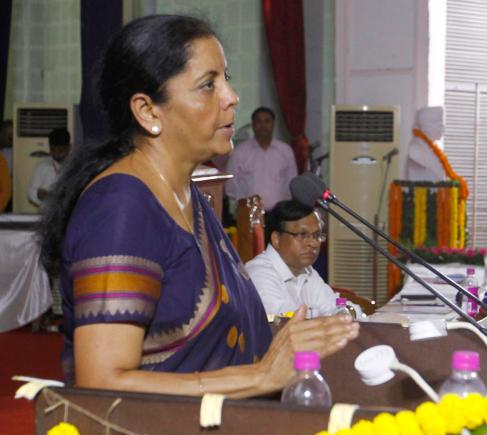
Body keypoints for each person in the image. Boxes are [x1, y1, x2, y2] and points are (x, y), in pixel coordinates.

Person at [38, 15, 358, 398]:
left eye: (227, 78)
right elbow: (102, 382)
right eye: (208, 85)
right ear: (148, 111)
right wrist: (261, 377)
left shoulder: (186, 194)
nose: (231, 97)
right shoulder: (120, 208)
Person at [246, 200, 340, 317]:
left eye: (316, 235)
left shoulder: (308, 273)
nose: (313, 243)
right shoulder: (259, 273)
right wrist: (324, 314)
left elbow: (336, 301)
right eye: (301, 235)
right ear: (276, 239)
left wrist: (347, 308)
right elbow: (285, 319)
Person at [225, 106, 297, 211]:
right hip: (248, 213)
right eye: (259, 121)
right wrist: (244, 204)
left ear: (273, 124)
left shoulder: (285, 151)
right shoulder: (240, 152)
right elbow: (230, 185)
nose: (263, 125)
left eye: (267, 121)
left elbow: (291, 183)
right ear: (253, 124)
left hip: (279, 213)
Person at [27, 127, 71, 207]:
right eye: (53, 150)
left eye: (60, 151)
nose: (56, 154)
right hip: (47, 212)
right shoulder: (42, 166)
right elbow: (30, 192)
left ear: (69, 148)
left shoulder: (75, 166)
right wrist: (38, 194)